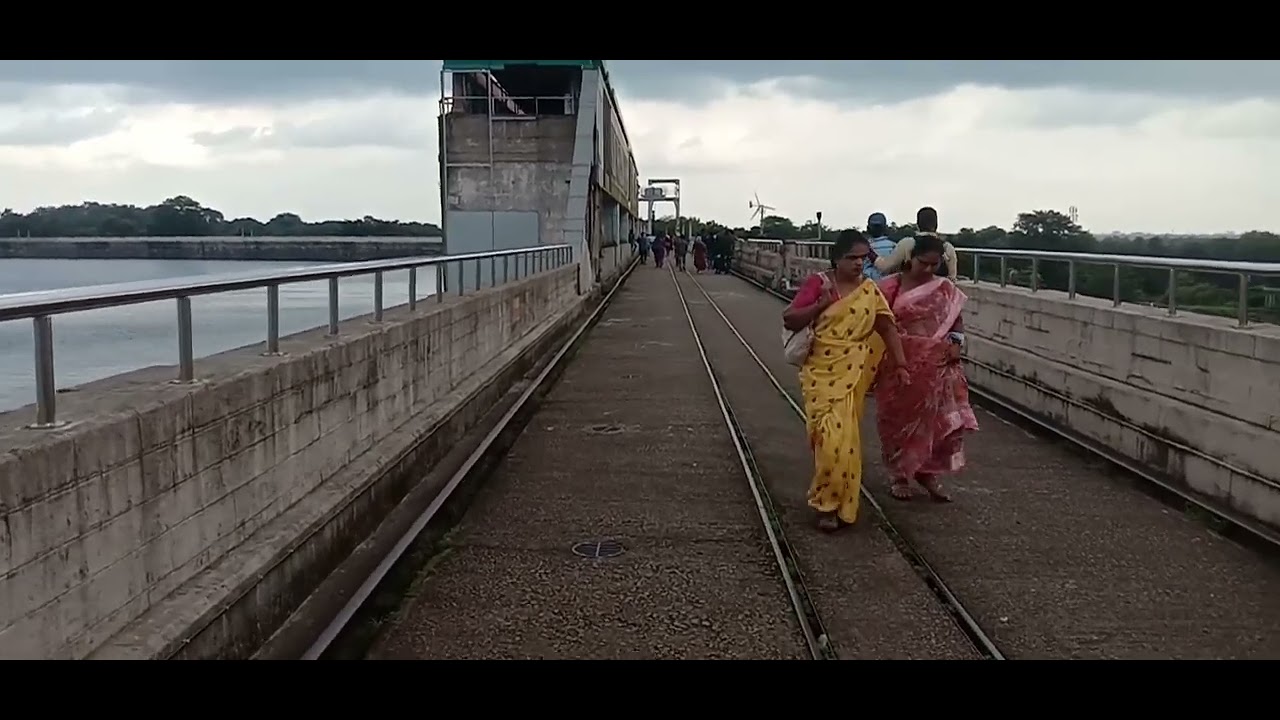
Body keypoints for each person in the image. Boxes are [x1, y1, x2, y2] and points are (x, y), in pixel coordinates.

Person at [783, 230, 910, 532]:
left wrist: (901, 365)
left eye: (862, 258)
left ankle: (838, 502)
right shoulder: (820, 283)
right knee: (829, 440)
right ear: (836, 259)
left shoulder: (869, 291)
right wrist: (820, 305)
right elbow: (789, 318)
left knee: (846, 441)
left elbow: (887, 327)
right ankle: (826, 503)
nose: (857, 264)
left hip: (853, 372)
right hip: (820, 372)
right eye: (851, 258)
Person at [873, 233, 979, 503]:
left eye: (934, 264)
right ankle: (898, 473)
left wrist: (957, 344)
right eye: (924, 263)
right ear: (911, 258)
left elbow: (955, 320)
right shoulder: (888, 287)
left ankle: (927, 472)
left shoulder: (943, 288)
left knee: (935, 423)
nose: (929, 269)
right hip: (898, 363)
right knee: (896, 420)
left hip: (936, 365)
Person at [873, 206, 958, 282]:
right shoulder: (947, 248)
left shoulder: (907, 244)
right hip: (937, 297)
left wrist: (870, 254)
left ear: (918, 224)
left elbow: (885, 267)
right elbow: (952, 279)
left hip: (910, 295)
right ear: (936, 224)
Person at [863, 212, 896, 282]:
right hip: (891, 287)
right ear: (885, 228)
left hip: (867, 288)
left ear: (868, 228)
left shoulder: (861, 249)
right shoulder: (895, 247)